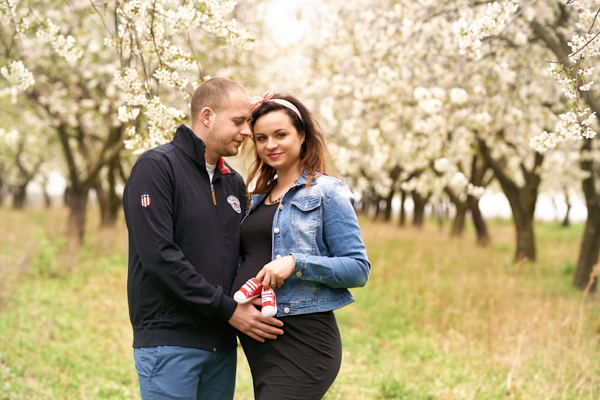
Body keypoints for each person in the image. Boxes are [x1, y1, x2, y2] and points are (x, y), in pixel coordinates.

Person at [122, 78, 284, 400]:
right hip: (170, 342)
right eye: (239, 121)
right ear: (207, 117)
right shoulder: (156, 168)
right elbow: (160, 256)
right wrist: (227, 309)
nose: (247, 132)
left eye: (248, 122)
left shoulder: (233, 184)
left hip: (221, 345)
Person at [230, 90, 371, 400]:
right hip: (260, 340)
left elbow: (358, 269)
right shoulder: (254, 199)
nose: (271, 145)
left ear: (303, 135)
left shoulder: (327, 193)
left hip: (304, 338)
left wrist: (297, 262)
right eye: (262, 138)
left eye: (281, 134)